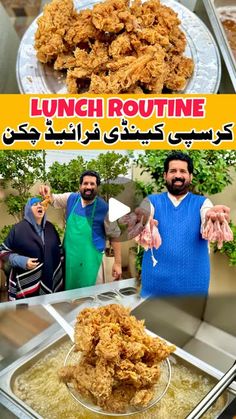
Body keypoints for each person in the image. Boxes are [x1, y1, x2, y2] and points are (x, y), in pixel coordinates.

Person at [139, 151, 231, 297]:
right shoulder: (151, 201)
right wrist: (144, 221)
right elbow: (145, 214)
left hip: (193, 290)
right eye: (172, 171)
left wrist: (211, 218)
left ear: (190, 176)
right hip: (154, 289)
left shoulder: (203, 203)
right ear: (165, 175)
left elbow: (206, 217)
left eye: (183, 171)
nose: (178, 175)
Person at [39, 170, 122, 290]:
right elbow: (51, 199)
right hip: (70, 259)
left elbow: (115, 235)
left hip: (91, 262)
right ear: (80, 186)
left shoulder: (104, 208)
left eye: (92, 184)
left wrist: (118, 263)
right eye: (85, 183)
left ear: (97, 187)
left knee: (91, 298)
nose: (88, 187)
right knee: (70, 296)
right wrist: (47, 192)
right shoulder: (70, 198)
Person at [0, 197, 63, 300]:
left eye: (41, 204)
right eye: (35, 204)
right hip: (26, 281)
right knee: (27, 313)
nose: (39, 206)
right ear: (28, 209)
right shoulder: (18, 229)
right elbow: (3, 251)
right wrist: (22, 261)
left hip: (50, 277)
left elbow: (59, 251)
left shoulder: (50, 227)